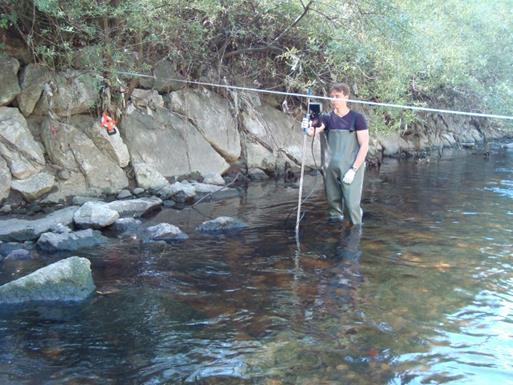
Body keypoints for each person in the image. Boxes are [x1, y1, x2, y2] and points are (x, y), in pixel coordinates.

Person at [304, 83, 369, 225]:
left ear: (346, 97)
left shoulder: (357, 118)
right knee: (333, 206)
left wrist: (354, 170)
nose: (334, 100)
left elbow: (364, 145)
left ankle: (355, 236)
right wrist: (307, 126)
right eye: (332, 97)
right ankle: (336, 233)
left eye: (337, 96)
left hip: (351, 167)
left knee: (352, 206)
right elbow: (312, 131)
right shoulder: (326, 118)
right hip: (330, 168)